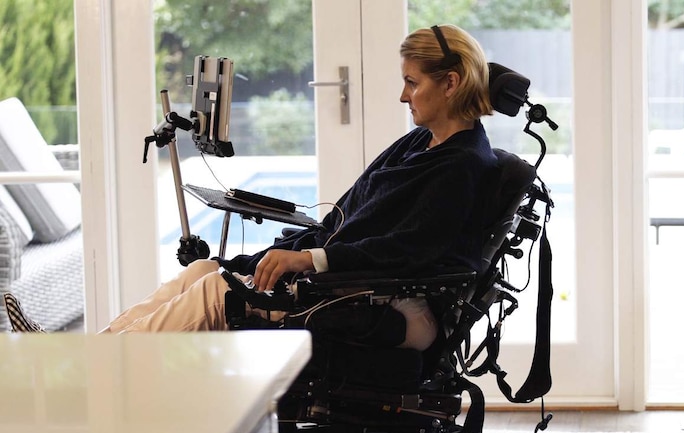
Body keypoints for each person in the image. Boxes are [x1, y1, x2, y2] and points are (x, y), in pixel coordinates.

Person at [4, 24, 496, 351]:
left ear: (450, 83)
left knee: (216, 292)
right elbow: (349, 218)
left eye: (413, 83)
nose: (403, 95)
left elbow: (410, 250)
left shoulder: (461, 165)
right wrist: (291, 249)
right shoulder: (420, 144)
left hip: (389, 302)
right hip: (353, 281)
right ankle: (92, 355)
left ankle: (89, 372)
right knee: (204, 267)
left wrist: (309, 260)